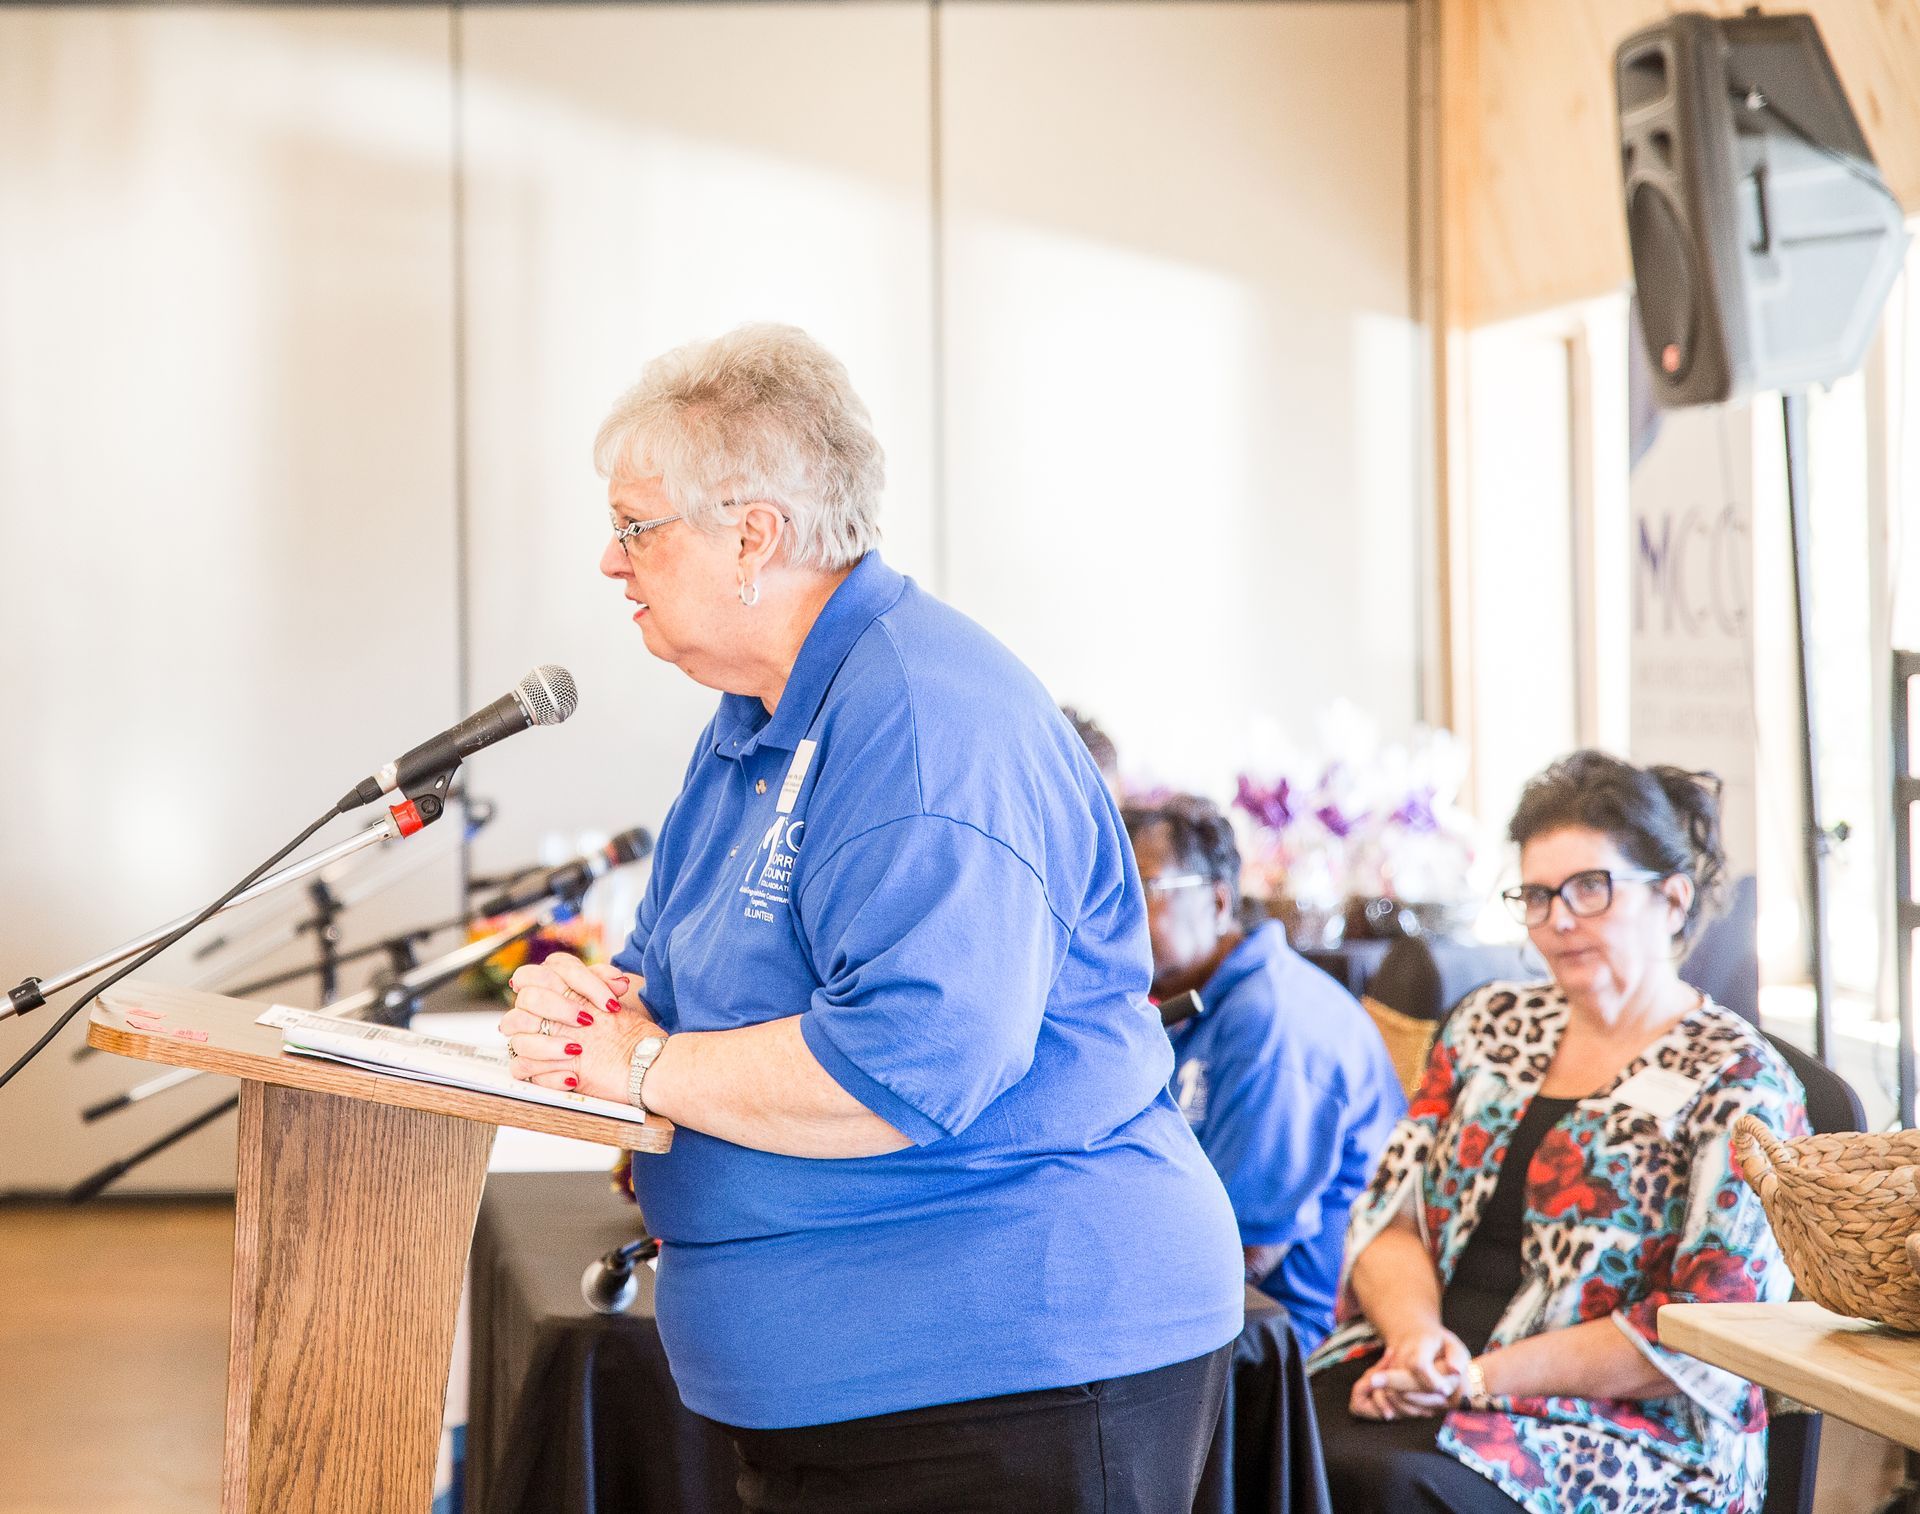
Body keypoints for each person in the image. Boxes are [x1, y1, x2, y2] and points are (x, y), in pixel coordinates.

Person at [494, 323, 1244, 1514]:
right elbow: (661, 984)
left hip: (1009, 1373)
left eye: (637, 526)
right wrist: (593, 1009)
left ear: (755, 534)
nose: (609, 560)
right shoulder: (759, 712)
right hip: (851, 1386)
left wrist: (643, 1060)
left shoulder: (924, 722)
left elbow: (908, 1061)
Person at [1306, 751, 1808, 1514]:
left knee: (1387, 1487)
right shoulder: (1488, 1024)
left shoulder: (1740, 1084)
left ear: (1672, 900)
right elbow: (1388, 1213)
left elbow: (1710, 1332)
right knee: (1261, 1433)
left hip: (1626, 1429)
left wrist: (1477, 1379)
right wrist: (1416, 1342)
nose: (1558, 919)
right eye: (1536, 896)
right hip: (1421, 1366)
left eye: (1589, 889)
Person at [1124, 795, 1405, 1353]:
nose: (1115, 917)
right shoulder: (1186, 1003)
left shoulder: (1270, 1020)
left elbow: (1245, 1250)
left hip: (1285, 1331)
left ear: (1219, 899)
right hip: (1219, 1303)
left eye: (1144, 891)